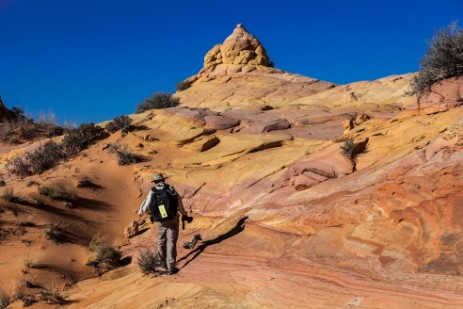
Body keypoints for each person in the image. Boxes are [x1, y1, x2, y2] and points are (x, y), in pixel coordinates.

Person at [138, 173, 192, 275]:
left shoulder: (153, 191)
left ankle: (162, 264)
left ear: (155, 182)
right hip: (173, 219)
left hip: (161, 221)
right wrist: (184, 213)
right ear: (163, 180)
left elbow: (144, 208)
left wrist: (153, 213)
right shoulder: (170, 189)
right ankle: (171, 267)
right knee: (171, 242)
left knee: (161, 241)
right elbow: (179, 203)